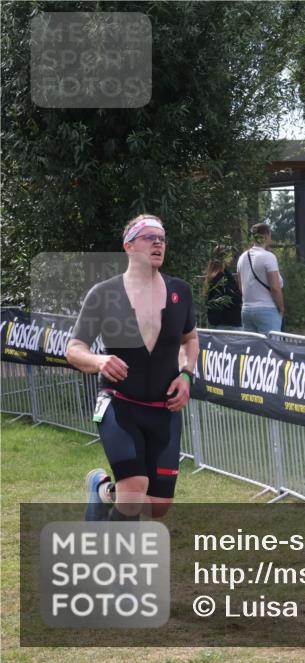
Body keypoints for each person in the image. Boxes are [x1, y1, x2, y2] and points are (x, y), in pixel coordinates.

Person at [66, 214, 198, 521]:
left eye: (162, 238)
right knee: (134, 488)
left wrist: (187, 374)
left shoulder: (181, 291)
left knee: (158, 506)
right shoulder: (104, 293)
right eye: (149, 237)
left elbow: (189, 339)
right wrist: (99, 360)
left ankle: (102, 489)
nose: (158, 243)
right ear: (128, 246)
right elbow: (74, 349)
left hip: (164, 408)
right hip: (119, 402)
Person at [237, 223, 285, 333]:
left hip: (246, 310)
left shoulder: (242, 258)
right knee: (271, 348)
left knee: (251, 348)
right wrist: (281, 308)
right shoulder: (268, 257)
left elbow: (241, 286)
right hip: (267, 309)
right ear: (266, 236)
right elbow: (275, 287)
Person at [204, 244, 242, 329]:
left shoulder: (213, 275)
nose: (231, 258)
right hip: (229, 322)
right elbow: (231, 296)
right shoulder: (222, 277)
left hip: (217, 321)